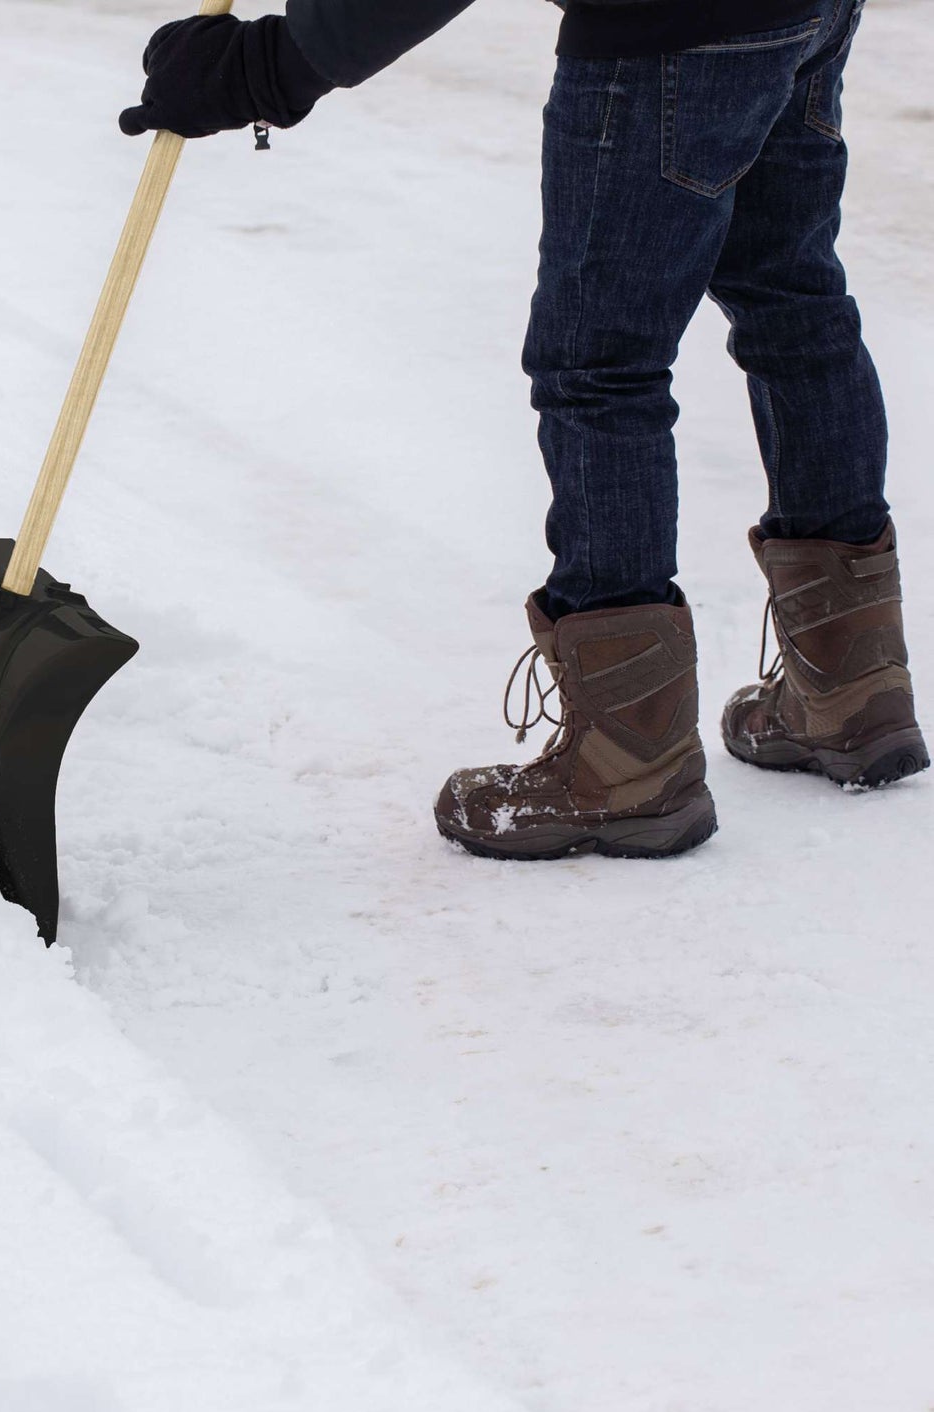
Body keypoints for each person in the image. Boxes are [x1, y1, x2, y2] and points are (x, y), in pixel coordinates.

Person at [120, 0, 927, 861]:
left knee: (600, 358)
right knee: (791, 296)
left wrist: (277, 62)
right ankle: (851, 685)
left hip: (668, 30)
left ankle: (629, 757)